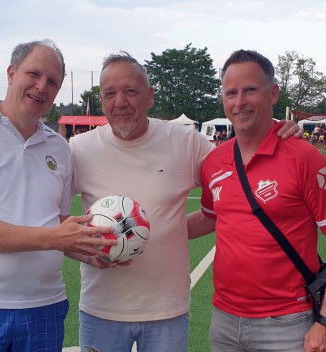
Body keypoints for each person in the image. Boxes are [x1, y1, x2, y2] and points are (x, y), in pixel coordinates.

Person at [69, 51, 302, 352]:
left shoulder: (185, 143)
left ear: (150, 96)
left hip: (168, 311)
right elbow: (55, 224)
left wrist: (276, 133)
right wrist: (89, 255)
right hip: (101, 310)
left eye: (131, 91)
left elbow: (240, 170)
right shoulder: (78, 150)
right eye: (109, 94)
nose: (120, 102)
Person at [0, 39, 116, 352]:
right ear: (11, 73)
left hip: (45, 309)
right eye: (34, 74)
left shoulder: (60, 148)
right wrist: (54, 239)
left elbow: (55, 222)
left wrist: (90, 252)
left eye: (52, 82)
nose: (42, 86)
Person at [188, 50, 326, 352]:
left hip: (288, 323)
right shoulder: (214, 161)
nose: (239, 102)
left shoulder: (305, 158)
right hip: (224, 320)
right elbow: (209, 217)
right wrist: (154, 227)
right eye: (231, 93)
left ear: (273, 93)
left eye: (251, 89)